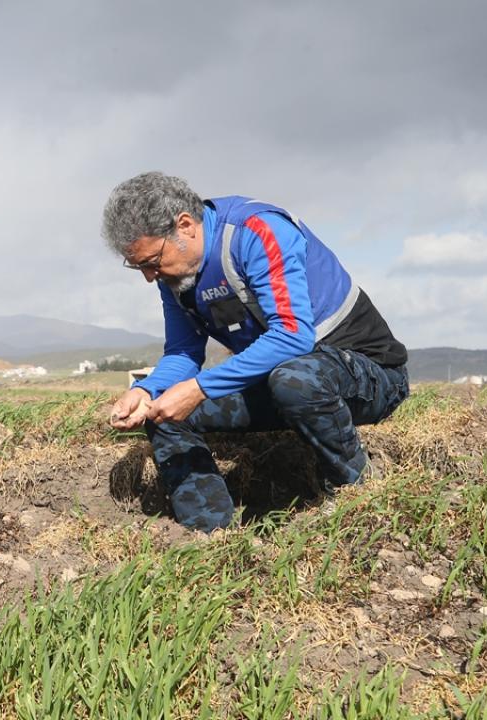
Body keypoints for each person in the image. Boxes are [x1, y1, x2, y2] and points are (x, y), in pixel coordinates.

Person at [103, 172, 409, 532]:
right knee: (165, 412)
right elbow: (184, 352)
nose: (150, 277)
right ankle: (210, 536)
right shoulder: (176, 276)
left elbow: (292, 337)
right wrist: (147, 391)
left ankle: (356, 489)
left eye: (152, 261)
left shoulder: (256, 231)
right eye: (138, 266)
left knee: (294, 379)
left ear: (184, 226)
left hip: (368, 375)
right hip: (282, 383)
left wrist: (199, 388)